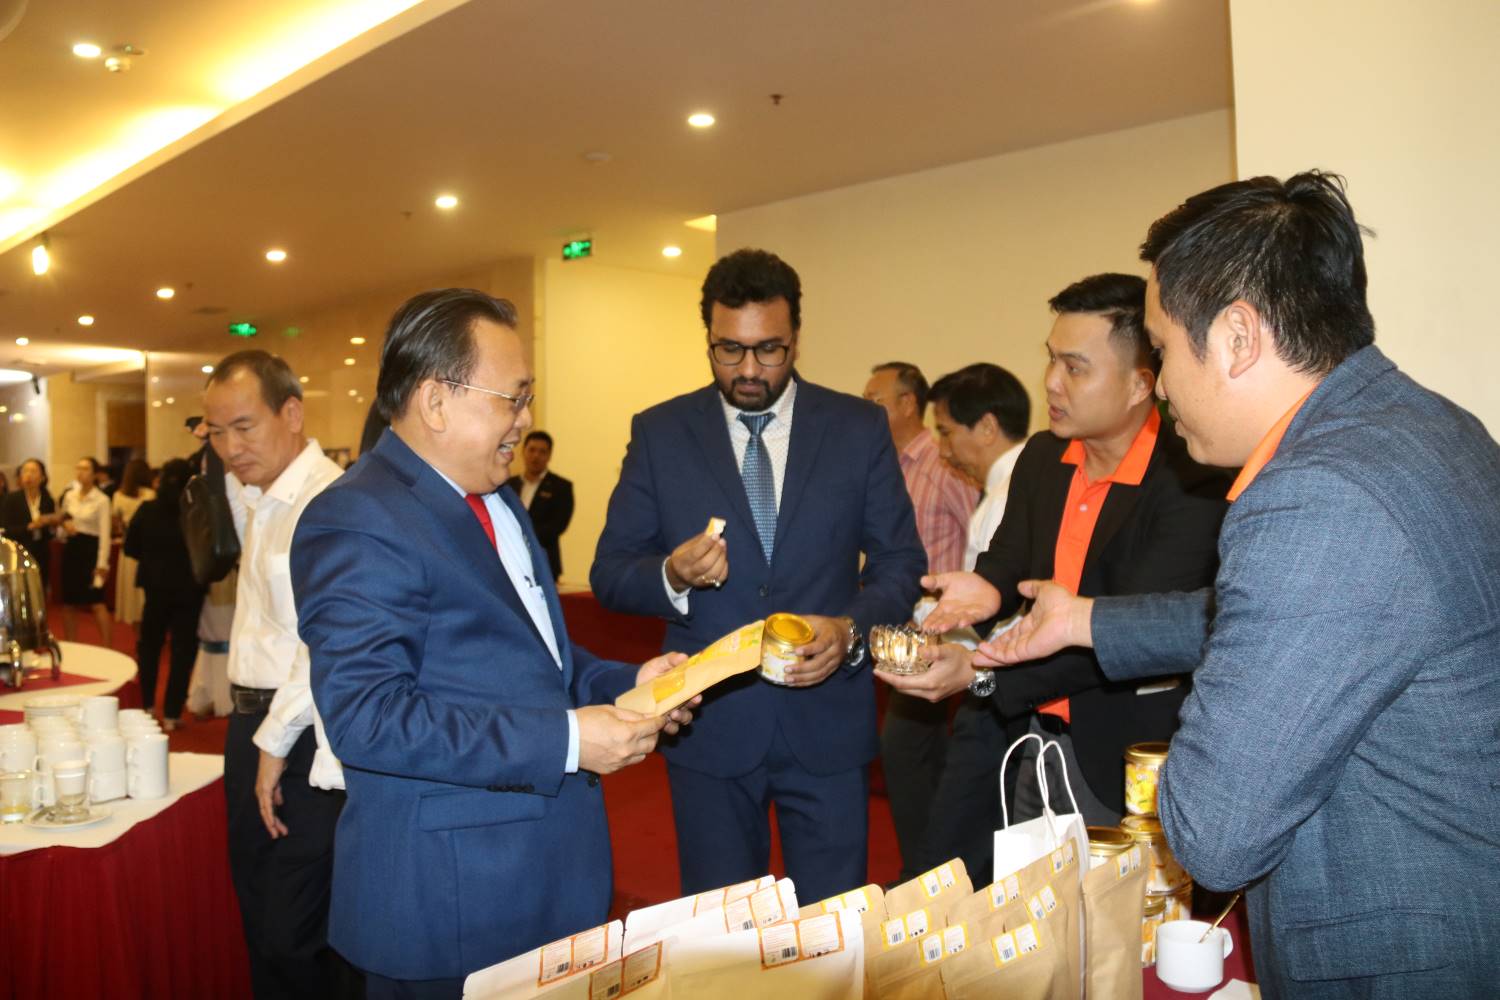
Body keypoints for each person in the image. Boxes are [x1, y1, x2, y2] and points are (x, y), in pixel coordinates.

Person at [971, 173, 1500, 998]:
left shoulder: (1314, 495)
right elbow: (1301, 620)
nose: (1162, 381)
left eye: (1164, 348)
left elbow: (1215, 834)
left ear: (1239, 337)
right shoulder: (1429, 427)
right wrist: (1086, 622)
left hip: (1405, 951)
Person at [292, 288, 694, 997]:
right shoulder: (356, 517)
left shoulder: (497, 501)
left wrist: (627, 684)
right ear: (437, 401)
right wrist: (568, 742)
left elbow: (537, 663)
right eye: (513, 398)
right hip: (449, 903)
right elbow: (367, 718)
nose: (528, 420)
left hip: (546, 879)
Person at [591, 248, 926, 902]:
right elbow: (609, 572)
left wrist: (848, 629)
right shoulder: (660, 433)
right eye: (728, 350)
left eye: (768, 351)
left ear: (795, 338)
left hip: (828, 724)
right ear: (708, 338)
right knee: (722, 945)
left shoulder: (857, 429)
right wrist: (672, 574)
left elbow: (901, 562)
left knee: (833, 938)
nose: (748, 370)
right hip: (709, 727)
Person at [890, 273, 1227, 885]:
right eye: (1051, 360)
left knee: (1116, 931)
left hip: (1125, 744)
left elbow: (1124, 630)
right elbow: (1011, 552)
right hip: (1025, 727)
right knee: (997, 898)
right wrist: (985, 589)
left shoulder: (1187, 479)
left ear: (1139, 384)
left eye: (1075, 368)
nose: (1050, 382)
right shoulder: (1045, 456)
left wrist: (981, 671)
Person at [202, 350, 349, 1000]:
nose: (229, 448)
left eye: (243, 427)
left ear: (292, 414)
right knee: (258, 909)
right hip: (250, 723)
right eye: (214, 431)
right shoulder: (263, 491)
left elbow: (323, 642)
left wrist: (271, 742)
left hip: (302, 734)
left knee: (295, 928)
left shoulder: (327, 500)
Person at [863, 360, 988, 881]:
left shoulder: (942, 467)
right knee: (918, 756)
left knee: (911, 752)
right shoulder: (881, 465)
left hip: (943, 641)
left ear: (907, 403)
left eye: (876, 399)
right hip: (901, 635)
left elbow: (980, 540)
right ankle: (934, 871)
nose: (865, 408)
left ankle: (930, 874)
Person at [124, 459, 204, 729]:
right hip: (189, 591)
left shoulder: (147, 510)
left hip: (155, 588)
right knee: (183, 651)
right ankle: (171, 713)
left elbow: (130, 548)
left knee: (150, 647)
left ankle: (146, 705)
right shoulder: (195, 511)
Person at [59, 457, 114, 646]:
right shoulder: (69, 495)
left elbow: (105, 535)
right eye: (78, 467)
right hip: (72, 548)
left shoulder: (102, 499)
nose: (80, 472)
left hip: (91, 550)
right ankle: (71, 644)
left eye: (85, 468)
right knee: (68, 603)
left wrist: (102, 564)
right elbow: (62, 521)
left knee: (97, 602)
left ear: (95, 474)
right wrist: (64, 527)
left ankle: (108, 646)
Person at [504, 430, 574, 578]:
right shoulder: (508, 485)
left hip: (545, 561)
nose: (536, 456)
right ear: (523, 451)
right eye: (532, 450)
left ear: (549, 456)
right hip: (510, 561)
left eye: (542, 452)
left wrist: (523, 537)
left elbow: (558, 525)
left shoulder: (561, 487)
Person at [1, 459, 61, 588]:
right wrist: (29, 527)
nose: (28, 475)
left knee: (40, 585)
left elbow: (51, 529)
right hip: (18, 550)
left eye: (33, 471)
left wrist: (52, 524)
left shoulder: (47, 499)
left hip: (41, 549)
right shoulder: (11, 499)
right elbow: (5, 529)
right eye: (25, 471)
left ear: (42, 477)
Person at [112, 458, 155, 625]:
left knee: (131, 590)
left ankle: (137, 629)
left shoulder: (118, 495)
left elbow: (116, 524)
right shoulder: (150, 494)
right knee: (145, 592)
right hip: (147, 547)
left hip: (128, 545)